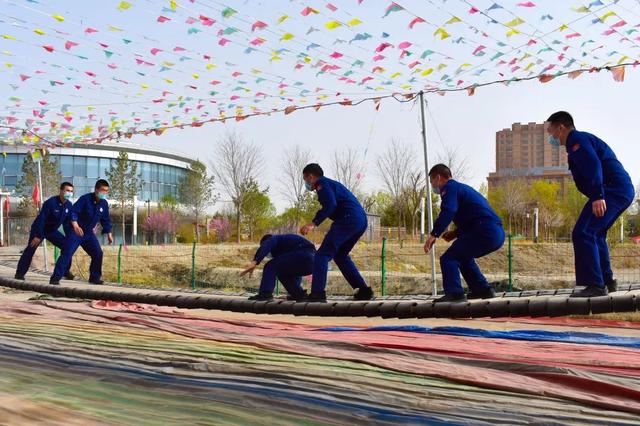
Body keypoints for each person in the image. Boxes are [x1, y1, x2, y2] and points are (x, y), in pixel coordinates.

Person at [547, 111, 635, 297]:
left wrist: (597, 195)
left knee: (584, 232)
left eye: (551, 130)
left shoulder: (577, 141)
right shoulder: (576, 144)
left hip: (612, 190)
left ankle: (594, 285)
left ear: (561, 127)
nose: (550, 136)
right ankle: (606, 281)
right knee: (596, 233)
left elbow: (593, 165)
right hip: (615, 189)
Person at [424, 164, 504, 303]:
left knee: (449, 258)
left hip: (485, 230)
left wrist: (434, 234)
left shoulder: (449, 188)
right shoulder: (461, 188)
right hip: (494, 232)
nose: (433, 186)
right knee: (463, 256)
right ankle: (483, 290)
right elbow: (474, 217)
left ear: (438, 177)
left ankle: (455, 294)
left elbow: (449, 210)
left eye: (432, 182)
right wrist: (456, 233)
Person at [300, 163, 374, 303]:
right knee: (340, 256)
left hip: (348, 219)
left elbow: (330, 205)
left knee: (322, 255)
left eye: (305, 179)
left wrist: (313, 223)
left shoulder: (322, 183)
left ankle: (318, 293)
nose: (306, 183)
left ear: (310, 176)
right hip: (360, 220)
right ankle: (363, 290)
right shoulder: (331, 184)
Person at [49, 179, 113, 285]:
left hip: (88, 233)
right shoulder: (85, 199)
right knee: (68, 252)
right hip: (75, 229)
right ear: (96, 190)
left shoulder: (104, 204)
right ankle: (55, 278)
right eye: (103, 190)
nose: (104, 193)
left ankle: (94, 277)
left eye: (106, 191)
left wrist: (109, 233)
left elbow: (105, 219)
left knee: (98, 253)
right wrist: (75, 226)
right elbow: (73, 212)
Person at [15, 182, 75, 280]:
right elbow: (41, 219)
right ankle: (19, 273)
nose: (69, 193)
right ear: (61, 191)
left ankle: (65, 270)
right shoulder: (51, 203)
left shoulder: (69, 205)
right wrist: (38, 236)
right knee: (31, 248)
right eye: (67, 190)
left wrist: (70, 236)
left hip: (52, 231)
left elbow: (67, 223)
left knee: (67, 246)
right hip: (40, 229)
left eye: (71, 191)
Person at [240, 233, 315, 302]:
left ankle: (265, 294)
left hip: (305, 254)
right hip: (313, 263)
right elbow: (295, 275)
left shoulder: (275, 238)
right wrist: (293, 293)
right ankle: (299, 295)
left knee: (270, 266)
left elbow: (269, 243)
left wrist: (255, 261)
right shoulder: (287, 249)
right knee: (281, 272)